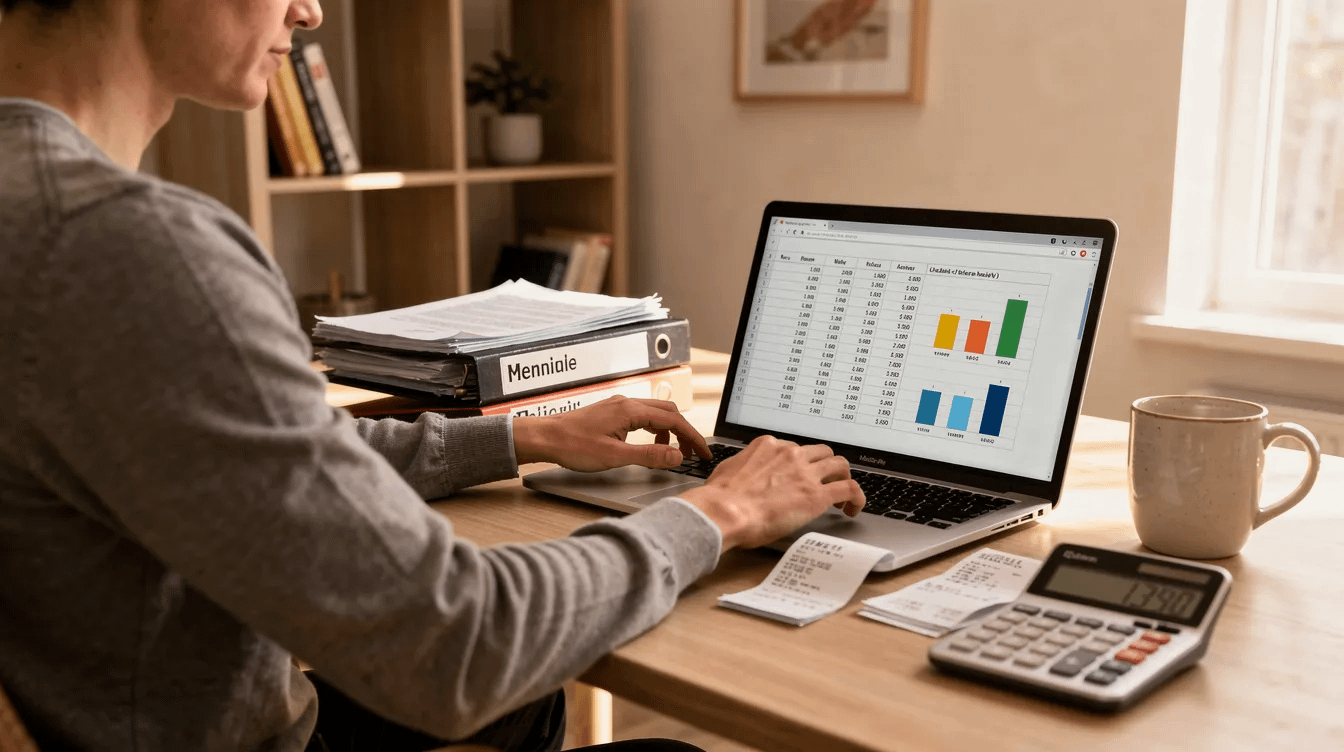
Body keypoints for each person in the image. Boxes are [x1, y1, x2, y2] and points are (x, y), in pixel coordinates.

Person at [0, 1, 867, 751]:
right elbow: (459, 645)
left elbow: (272, 460)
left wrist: (522, 437)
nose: (310, 11)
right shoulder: (134, 249)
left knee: (526, 706)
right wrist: (722, 512)